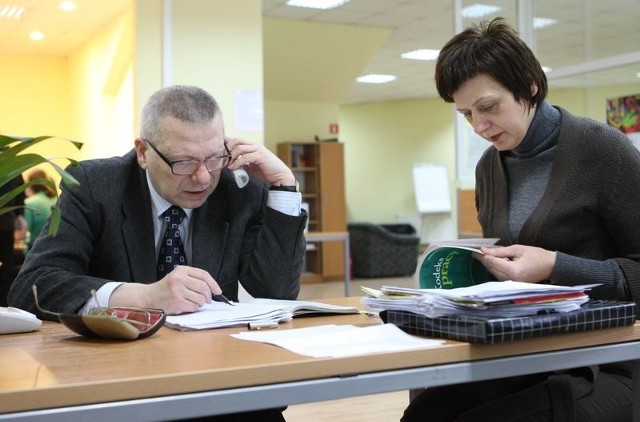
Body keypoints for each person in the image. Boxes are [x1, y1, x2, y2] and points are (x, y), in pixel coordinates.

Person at [8, 85, 307, 422]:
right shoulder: (94, 186)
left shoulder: (237, 189)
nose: (202, 177)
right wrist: (145, 296)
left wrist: (283, 186)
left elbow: (276, 292)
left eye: (213, 158)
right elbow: (31, 288)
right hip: (115, 382)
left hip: (211, 380)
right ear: (142, 152)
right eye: (182, 162)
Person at [402, 17, 640, 422]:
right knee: (423, 415)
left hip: (608, 362)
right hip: (526, 352)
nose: (478, 126)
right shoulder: (488, 169)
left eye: (489, 107)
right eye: (465, 114)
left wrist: (554, 266)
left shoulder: (604, 151)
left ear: (529, 83)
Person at [0, 173, 25, 306]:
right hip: (6, 223)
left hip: (6, 223)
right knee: (6, 269)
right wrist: (19, 215)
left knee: (6, 268)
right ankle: (4, 305)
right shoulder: (16, 168)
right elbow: (21, 195)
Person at [22, 169, 57, 252]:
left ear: (30, 184)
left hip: (35, 249)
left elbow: (23, 233)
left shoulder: (29, 203)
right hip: (57, 247)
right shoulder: (57, 200)